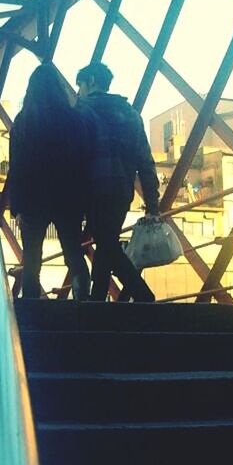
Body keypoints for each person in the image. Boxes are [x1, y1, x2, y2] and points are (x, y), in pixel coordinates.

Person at [75, 61, 160, 302]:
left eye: (80, 85)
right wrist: (152, 204)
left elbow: (74, 155)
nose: (78, 92)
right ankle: (98, 300)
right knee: (106, 242)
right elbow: (145, 161)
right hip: (122, 192)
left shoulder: (82, 112)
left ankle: (143, 295)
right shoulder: (132, 115)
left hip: (91, 189)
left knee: (107, 244)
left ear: (90, 81)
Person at [7, 64, 90, 300]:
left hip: (34, 198)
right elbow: (82, 160)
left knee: (32, 258)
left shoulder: (24, 121)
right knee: (74, 253)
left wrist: (18, 206)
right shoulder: (74, 120)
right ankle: (85, 303)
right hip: (67, 196)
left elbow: (18, 166)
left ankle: (33, 309)